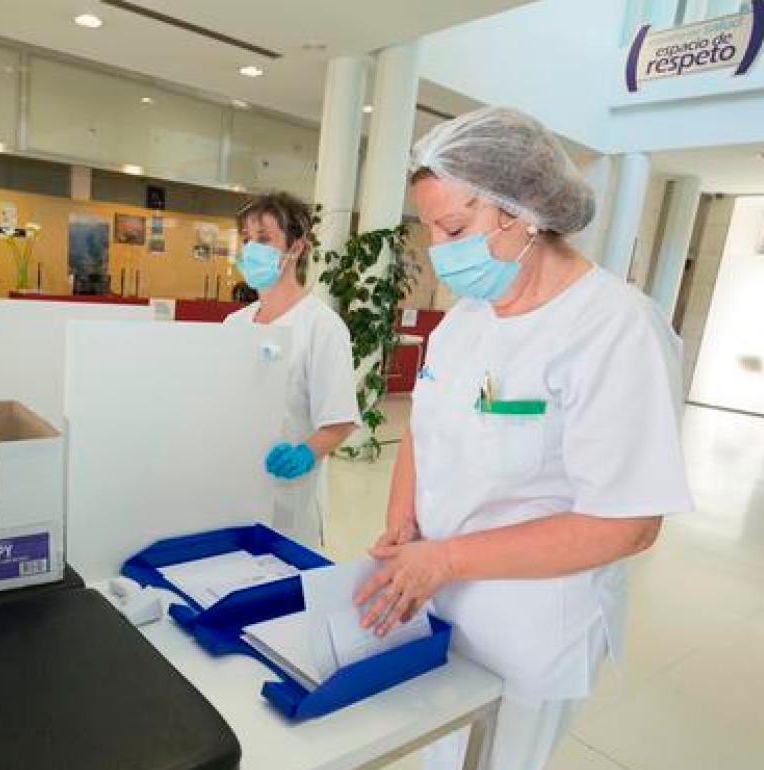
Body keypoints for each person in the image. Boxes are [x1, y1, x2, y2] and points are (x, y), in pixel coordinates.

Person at [352, 106, 693, 770]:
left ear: (524, 210)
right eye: (429, 229)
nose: (439, 250)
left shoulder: (616, 329)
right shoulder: (464, 322)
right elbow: (425, 431)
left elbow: (627, 526)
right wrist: (404, 525)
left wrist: (445, 559)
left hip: (529, 623)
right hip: (435, 598)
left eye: (454, 227)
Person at [225, 192, 360, 547]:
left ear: (296, 249)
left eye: (264, 239)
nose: (251, 249)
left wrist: (304, 454)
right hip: (231, 485)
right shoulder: (234, 323)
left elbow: (340, 419)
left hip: (289, 496)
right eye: (247, 240)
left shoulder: (321, 326)